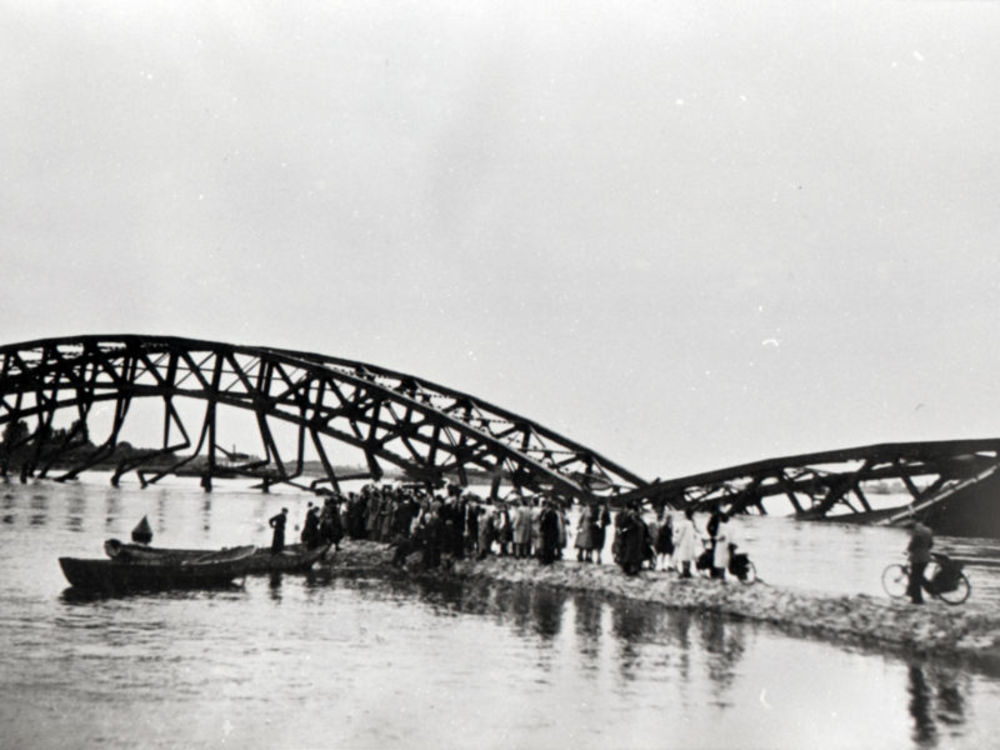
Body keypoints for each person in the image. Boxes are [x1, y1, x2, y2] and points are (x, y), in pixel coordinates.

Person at [906, 519, 934, 604]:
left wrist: (908, 550)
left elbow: (912, 544)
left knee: (915, 578)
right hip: (926, 557)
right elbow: (931, 544)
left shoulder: (917, 532)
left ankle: (917, 599)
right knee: (919, 576)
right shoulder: (928, 531)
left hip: (917, 558)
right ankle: (932, 589)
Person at [673, 508, 699, 578]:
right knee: (688, 557)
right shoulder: (692, 523)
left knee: (683, 557)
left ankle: (685, 572)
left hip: (684, 542)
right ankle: (687, 571)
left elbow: (680, 533)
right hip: (690, 542)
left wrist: (677, 541)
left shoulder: (684, 523)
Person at [711, 513, 732, 581]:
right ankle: (723, 576)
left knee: (719, 560)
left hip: (721, 545)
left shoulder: (721, 525)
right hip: (726, 545)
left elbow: (722, 536)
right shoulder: (729, 526)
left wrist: (715, 538)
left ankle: (720, 577)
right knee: (723, 561)